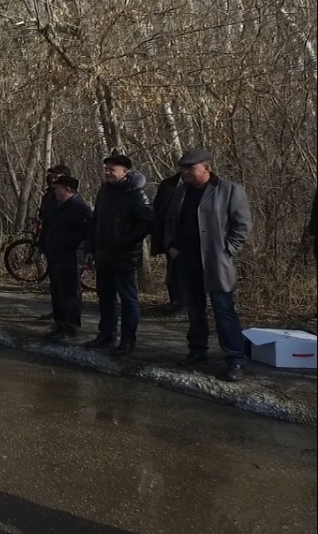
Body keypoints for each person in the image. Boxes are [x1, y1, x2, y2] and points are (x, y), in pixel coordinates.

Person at [162, 148, 253, 382]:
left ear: (206, 168)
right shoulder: (180, 191)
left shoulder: (229, 190)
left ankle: (235, 359)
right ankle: (197, 350)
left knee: (224, 310)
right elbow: (169, 221)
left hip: (216, 261)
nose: (185, 173)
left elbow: (242, 226)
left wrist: (227, 250)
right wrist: (171, 247)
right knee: (194, 309)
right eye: (183, 169)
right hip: (186, 259)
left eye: (190, 168)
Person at [85, 153, 154, 356]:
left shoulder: (136, 194)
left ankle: (127, 341)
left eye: (111, 169)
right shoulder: (104, 192)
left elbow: (147, 222)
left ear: (125, 172)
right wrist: (91, 248)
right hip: (103, 254)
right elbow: (95, 220)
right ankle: (106, 334)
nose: (107, 173)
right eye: (106, 169)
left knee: (128, 299)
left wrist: (124, 241)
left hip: (124, 256)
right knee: (105, 297)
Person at [41, 176, 92, 341]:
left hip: (71, 255)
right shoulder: (58, 206)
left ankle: (71, 327)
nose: (55, 191)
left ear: (67, 190)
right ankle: (60, 323)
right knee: (57, 291)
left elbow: (84, 231)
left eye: (58, 188)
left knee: (69, 293)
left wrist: (65, 244)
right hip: (56, 255)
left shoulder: (79, 207)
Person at [36, 165, 73, 321]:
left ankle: (66, 318)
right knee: (54, 283)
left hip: (62, 244)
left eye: (56, 175)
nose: (52, 177)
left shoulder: (68, 197)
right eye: (51, 174)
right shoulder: (50, 193)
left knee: (65, 286)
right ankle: (57, 313)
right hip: (49, 240)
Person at [151, 170, 183, 313]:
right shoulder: (169, 185)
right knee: (173, 271)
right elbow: (159, 211)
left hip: (198, 239)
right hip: (172, 238)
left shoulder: (210, 187)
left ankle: (188, 304)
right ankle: (176, 301)